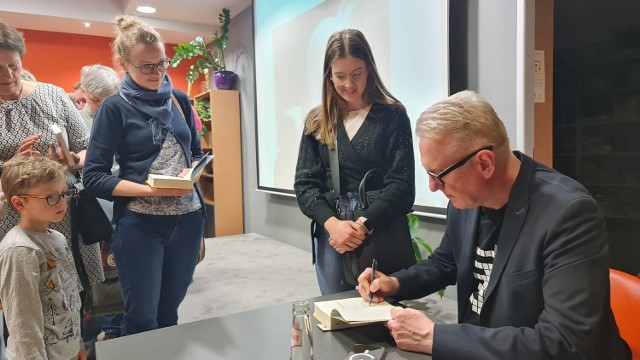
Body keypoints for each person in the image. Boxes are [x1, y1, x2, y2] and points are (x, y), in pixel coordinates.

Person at [357, 90, 631, 359]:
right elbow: (444, 264)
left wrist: (435, 337)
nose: (432, 186)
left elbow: (563, 343)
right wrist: (394, 283)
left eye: (438, 175)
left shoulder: (568, 214)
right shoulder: (465, 203)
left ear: (485, 163)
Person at [82, 15, 205, 336]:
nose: (157, 73)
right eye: (146, 66)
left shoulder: (178, 99)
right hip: (140, 226)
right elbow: (93, 177)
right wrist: (150, 190)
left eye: (162, 63)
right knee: (141, 319)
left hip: (188, 221)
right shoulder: (114, 108)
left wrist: (189, 171)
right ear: (124, 65)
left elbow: (196, 151)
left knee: (169, 314)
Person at [294, 29, 415, 295]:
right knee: (335, 313)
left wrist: (362, 226)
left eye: (356, 74)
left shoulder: (392, 115)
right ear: (329, 75)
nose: (349, 84)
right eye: (340, 76)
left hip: (379, 231)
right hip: (332, 237)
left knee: (382, 316)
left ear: (369, 69)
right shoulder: (317, 121)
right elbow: (305, 184)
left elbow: (402, 186)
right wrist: (332, 225)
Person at [0, 20, 104, 292]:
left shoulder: (53, 95)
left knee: (72, 288)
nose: (8, 76)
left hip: (64, 208)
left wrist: (73, 161)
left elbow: (86, 145)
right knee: (28, 293)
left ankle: (81, 333)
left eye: (14, 66)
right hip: (15, 215)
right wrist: (11, 166)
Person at [0, 155, 86, 360]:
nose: (62, 203)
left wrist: (79, 345)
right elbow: (23, 323)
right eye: (50, 197)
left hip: (68, 351)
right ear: (20, 203)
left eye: (64, 194)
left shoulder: (57, 238)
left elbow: (71, 298)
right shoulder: (19, 250)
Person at [79, 64, 123, 342]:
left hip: (120, 198)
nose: (102, 106)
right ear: (85, 94)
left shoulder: (122, 114)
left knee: (119, 263)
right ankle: (104, 325)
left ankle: (118, 324)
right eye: (96, 101)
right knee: (100, 266)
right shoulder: (77, 119)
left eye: (108, 99)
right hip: (91, 207)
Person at [79, 64, 120, 131]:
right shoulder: (75, 121)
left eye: (109, 100)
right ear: (83, 91)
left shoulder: (126, 117)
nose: (103, 106)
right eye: (96, 100)